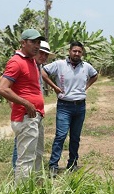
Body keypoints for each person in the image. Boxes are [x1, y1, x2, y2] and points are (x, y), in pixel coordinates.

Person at [0, 28, 46, 183]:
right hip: (26, 117)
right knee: (26, 159)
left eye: (38, 42)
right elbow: (2, 88)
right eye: (33, 42)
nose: (37, 46)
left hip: (35, 116)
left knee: (37, 155)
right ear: (23, 43)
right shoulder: (16, 62)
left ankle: (36, 189)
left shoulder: (31, 61)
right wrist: (25, 103)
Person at [42, 41, 98, 176]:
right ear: (69, 51)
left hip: (80, 106)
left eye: (79, 51)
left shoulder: (86, 67)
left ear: (82, 53)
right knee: (60, 136)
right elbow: (43, 72)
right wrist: (54, 87)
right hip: (64, 106)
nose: (77, 53)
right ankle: (53, 165)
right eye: (74, 51)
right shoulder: (59, 64)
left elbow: (95, 75)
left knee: (75, 137)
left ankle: (72, 163)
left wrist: (86, 86)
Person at [12, 40, 54, 169]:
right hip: (25, 115)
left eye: (46, 55)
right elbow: (7, 88)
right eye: (41, 53)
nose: (43, 56)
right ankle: (17, 176)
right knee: (23, 151)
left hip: (36, 114)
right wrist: (20, 105)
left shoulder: (38, 68)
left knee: (34, 150)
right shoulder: (21, 64)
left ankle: (32, 181)